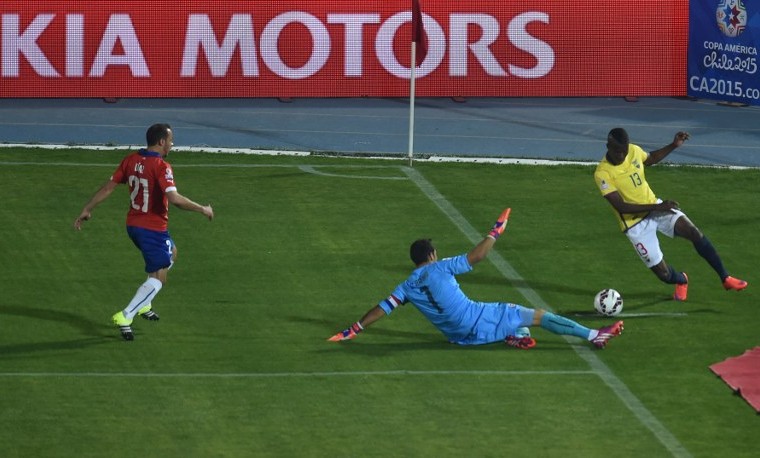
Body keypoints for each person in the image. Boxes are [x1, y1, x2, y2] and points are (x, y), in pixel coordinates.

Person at [328, 209, 624, 349]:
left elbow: (382, 308)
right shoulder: (441, 267)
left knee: (510, 317)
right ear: (431, 254)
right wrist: (496, 231)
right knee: (536, 315)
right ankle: (593, 335)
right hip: (476, 320)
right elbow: (477, 257)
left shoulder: (406, 286)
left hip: (458, 336)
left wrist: (354, 328)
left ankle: (514, 336)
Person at [74, 123, 214, 341]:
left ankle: (145, 303)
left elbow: (107, 188)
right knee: (160, 277)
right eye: (170, 140)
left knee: (172, 253)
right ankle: (127, 314)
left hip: (134, 225)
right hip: (152, 229)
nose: (172, 144)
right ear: (161, 142)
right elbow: (175, 199)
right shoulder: (161, 166)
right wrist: (202, 208)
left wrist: (87, 208)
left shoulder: (130, 160)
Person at [593, 127, 747, 301]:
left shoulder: (634, 150)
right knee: (664, 275)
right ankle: (681, 280)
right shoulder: (602, 173)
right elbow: (621, 206)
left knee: (693, 232)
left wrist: (674, 145)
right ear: (608, 146)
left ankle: (725, 278)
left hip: (656, 207)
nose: (622, 155)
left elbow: (650, 159)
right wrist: (657, 207)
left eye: (624, 150)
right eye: (617, 151)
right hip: (634, 224)